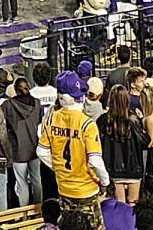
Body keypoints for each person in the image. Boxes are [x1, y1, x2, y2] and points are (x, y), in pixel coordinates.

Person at [42, 77, 107, 223]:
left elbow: (41, 152)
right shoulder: (87, 124)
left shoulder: (51, 119)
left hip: (64, 188)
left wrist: (57, 167)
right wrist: (105, 181)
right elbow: (95, 160)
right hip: (86, 190)